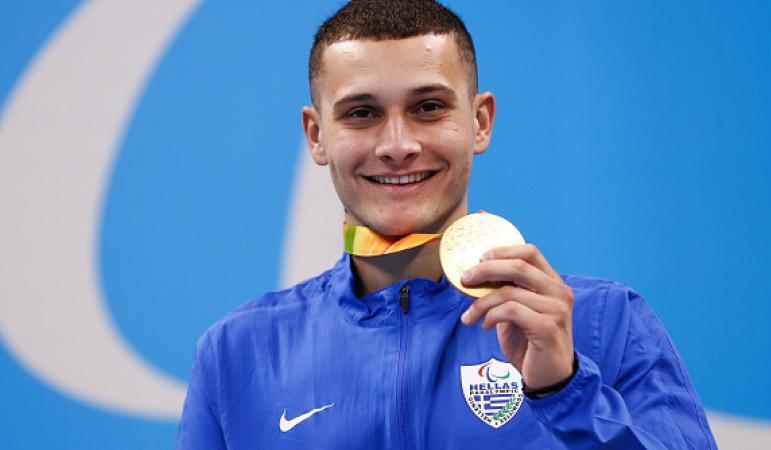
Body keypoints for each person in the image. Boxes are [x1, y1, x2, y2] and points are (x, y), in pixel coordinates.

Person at [176, 1, 717, 448]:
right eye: (361, 113)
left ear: (478, 121)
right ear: (317, 135)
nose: (398, 146)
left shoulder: (603, 324)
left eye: (429, 107)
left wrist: (567, 389)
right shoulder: (238, 354)